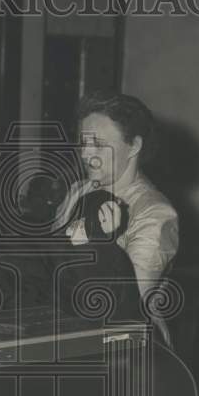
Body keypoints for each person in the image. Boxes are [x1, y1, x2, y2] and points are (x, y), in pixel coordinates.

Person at [55, 92, 179, 300]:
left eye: (98, 144)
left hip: (124, 329)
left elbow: (128, 301)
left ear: (134, 146)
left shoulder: (154, 213)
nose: (85, 154)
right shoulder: (78, 191)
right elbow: (50, 258)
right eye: (83, 143)